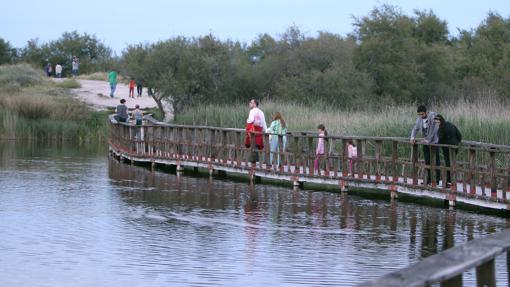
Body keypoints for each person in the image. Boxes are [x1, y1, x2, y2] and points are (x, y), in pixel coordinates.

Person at [410, 105, 440, 184]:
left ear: (426, 112)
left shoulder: (433, 116)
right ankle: (428, 180)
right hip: (425, 142)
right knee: (427, 161)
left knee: (436, 161)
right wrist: (412, 137)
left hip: (434, 142)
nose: (421, 116)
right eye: (419, 114)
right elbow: (415, 128)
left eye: (422, 114)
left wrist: (428, 140)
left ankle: (436, 181)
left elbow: (435, 130)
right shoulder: (419, 119)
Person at [434, 114, 462, 188]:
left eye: (437, 122)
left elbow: (440, 139)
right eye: (436, 123)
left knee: (448, 164)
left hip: (447, 148)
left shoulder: (441, 128)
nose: (437, 124)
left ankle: (449, 182)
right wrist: (456, 142)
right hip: (455, 146)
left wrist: (438, 143)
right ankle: (452, 181)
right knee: (452, 163)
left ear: (440, 121)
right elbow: (459, 135)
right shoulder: (450, 124)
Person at [245, 99, 267, 163]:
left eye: (251, 102)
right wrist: (265, 130)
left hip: (254, 130)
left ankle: (254, 161)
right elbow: (263, 122)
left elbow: (251, 120)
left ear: (254, 104)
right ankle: (255, 161)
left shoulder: (252, 111)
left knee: (253, 145)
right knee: (256, 145)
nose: (249, 104)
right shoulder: (261, 112)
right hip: (259, 130)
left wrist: (247, 121)